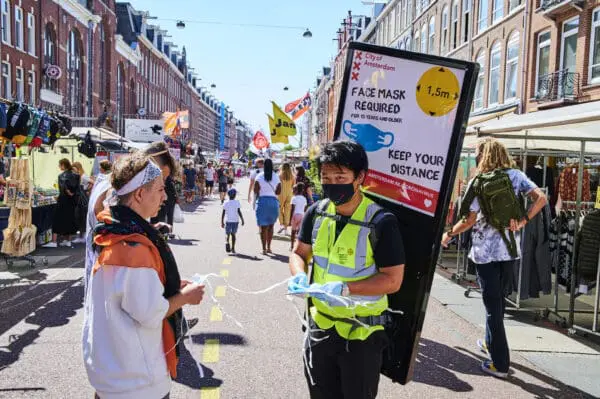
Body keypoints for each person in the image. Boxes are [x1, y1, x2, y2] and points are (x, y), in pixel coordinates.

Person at [288, 141, 405, 399]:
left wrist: (345, 289)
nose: (332, 183)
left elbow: (393, 280)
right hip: (320, 329)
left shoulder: (381, 222)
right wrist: (298, 275)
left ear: (360, 177)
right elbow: (299, 253)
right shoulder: (315, 213)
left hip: (361, 335)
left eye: (340, 177)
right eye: (326, 177)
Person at [83, 152, 205, 399]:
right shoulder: (134, 247)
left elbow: (124, 291)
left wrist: (162, 285)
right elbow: (149, 313)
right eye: (160, 189)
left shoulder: (111, 230)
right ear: (139, 194)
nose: (166, 196)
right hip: (136, 381)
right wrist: (185, 297)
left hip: (109, 373)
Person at [441, 137, 547, 379]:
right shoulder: (516, 175)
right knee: (497, 300)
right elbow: (541, 198)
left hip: (485, 253)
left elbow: (468, 220)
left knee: (492, 307)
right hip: (510, 251)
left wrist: (448, 235)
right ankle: (491, 343)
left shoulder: (478, 182)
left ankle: (500, 364)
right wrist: (523, 221)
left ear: (483, 156)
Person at [46, 159, 80, 248]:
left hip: (63, 200)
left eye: (59, 165)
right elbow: (77, 189)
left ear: (63, 165)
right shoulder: (76, 175)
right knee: (69, 219)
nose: (59, 167)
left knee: (57, 220)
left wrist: (68, 192)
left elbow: (64, 188)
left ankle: (53, 241)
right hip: (72, 202)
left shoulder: (61, 176)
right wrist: (72, 194)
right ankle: (67, 240)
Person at [254, 159, 281, 254]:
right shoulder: (276, 177)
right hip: (273, 202)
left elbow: (256, 190)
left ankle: (264, 249)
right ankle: (269, 247)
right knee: (271, 227)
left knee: (263, 227)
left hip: (262, 202)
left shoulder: (259, 176)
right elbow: (278, 192)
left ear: (264, 166)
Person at [72, 161, 91, 244]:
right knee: (79, 217)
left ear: (77, 168)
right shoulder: (78, 176)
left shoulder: (83, 176)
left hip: (82, 200)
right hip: (79, 199)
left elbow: (92, 182)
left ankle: (83, 236)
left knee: (82, 217)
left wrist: (87, 190)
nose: (73, 170)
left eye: (74, 168)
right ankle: (81, 236)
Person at [221, 188, 244, 253]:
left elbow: (223, 213)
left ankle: (226, 242)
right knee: (233, 234)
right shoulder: (237, 202)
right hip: (235, 221)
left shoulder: (226, 202)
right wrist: (242, 219)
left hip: (228, 221)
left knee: (227, 234)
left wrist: (222, 222)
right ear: (234, 195)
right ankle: (233, 248)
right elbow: (239, 211)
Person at [277, 162, 295, 235]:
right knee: (287, 211)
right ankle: (286, 229)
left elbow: (277, 185)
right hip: (290, 194)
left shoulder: (279, 175)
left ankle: (281, 224)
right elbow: (293, 186)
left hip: (281, 193)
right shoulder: (292, 176)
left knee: (279, 208)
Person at [289, 182, 307, 251]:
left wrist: (290, 218)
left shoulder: (294, 198)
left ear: (296, 189)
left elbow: (292, 209)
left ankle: (291, 246)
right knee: (299, 233)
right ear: (302, 190)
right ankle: (298, 247)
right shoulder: (304, 199)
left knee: (293, 232)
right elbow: (305, 209)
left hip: (295, 215)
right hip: (302, 215)